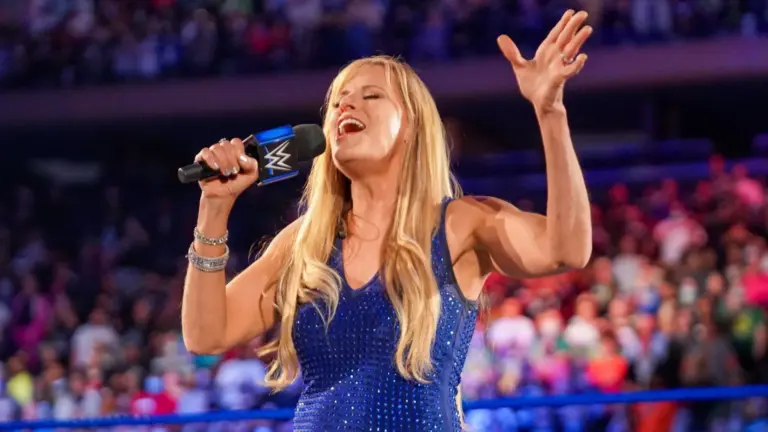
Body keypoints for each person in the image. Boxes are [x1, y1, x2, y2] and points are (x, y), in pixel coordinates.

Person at [182, 9, 593, 431]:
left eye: (371, 96)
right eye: (338, 101)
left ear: (411, 125)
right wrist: (214, 207)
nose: (346, 105)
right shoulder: (305, 241)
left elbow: (566, 249)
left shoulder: (458, 224)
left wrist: (550, 112)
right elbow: (205, 334)